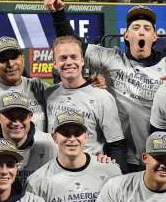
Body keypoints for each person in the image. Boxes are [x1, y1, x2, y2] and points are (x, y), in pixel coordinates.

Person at [45, 0, 166, 164]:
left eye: (147, 28)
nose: (141, 32)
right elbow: (75, 46)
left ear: (154, 36)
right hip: (125, 155)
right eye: (135, 28)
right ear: (126, 35)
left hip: (164, 153)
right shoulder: (112, 59)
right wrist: (59, 14)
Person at [25, 110, 122, 202]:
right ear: (54, 137)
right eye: (65, 133)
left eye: (77, 133)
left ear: (87, 136)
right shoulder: (37, 181)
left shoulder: (110, 171)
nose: (71, 138)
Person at [44, 36, 129, 168]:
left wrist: (119, 182)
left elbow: (117, 146)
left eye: (74, 57)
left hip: (91, 173)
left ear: (82, 61)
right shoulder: (48, 94)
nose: (69, 62)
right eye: (63, 58)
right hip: (55, 173)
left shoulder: (102, 97)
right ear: (55, 63)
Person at [0, 90, 55, 177]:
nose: (16, 122)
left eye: (22, 116)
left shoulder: (48, 143)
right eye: (10, 116)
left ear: (30, 117)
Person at [0, 36, 49, 132]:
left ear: (22, 59)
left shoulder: (40, 88)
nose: (10, 64)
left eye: (14, 57)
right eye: (3, 59)